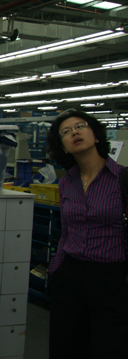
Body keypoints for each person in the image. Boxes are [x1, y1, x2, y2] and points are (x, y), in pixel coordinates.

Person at [46, 109, 128, 359]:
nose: (75, 132)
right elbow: (67, 232)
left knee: (109, 347)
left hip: (112, 279)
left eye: (80, 126)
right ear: (63, 146)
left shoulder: (122, 178)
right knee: (66, 347)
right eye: (66, 132)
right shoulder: (66, 182)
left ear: (96, 134)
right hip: (70, 277)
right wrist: (56, 271)